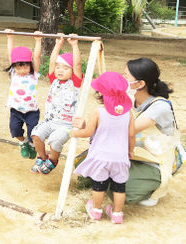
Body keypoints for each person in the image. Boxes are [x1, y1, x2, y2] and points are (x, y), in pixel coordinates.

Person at [72, 72, 136, 224]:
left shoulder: (98, 112)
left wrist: (74, 132)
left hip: (100, 158)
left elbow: (88, 132)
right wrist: (130, 151)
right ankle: (117, 214)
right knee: (119, 187)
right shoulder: (128, 113)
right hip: (120, 159)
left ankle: (96, 211)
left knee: (99, 186)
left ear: (100, 93)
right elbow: (131, 135)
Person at [121, 57, 184, 206]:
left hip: (156, 160)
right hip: (136, 152)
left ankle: (155, 188)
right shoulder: (134, 99)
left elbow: (129, 129)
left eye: (126, 76)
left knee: (124, 192)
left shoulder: (159, 106)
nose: (122, 79)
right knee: (90, 166)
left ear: (141, 84)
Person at [30, 34, 83, 174]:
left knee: (54, 140)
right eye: (59, 67)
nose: (60, 70)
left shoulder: (75, 83)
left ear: (72, 72)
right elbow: (52, 62)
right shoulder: (54, 79)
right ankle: (42, 158)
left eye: (65, 68)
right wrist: (58, 44)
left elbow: (77, 64)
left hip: (66, 124)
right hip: (50, 120)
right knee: (35, 134)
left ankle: (53, 160)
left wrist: (74, 45)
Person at [5, 30, 42, 159]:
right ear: (14, 67)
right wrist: (10, 38)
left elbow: (36, 57)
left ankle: (31, 144)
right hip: (16, 110)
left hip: (31, 111)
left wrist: (38, 41)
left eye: (25, 67)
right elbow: (11, 55)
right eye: (18, 67)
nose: (21, 70)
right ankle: (23, 142)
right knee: (14, 130)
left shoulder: (33, 75)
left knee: (33, 133)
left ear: (30, 66)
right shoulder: (14, 73)